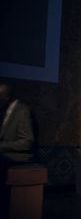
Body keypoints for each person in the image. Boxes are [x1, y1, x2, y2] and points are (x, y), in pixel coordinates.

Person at [0, 83, 34, 216]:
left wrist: (2, 146)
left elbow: (27, 142)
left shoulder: (22, 111)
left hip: (19, 157)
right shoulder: (5, 111)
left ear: (7, 97)